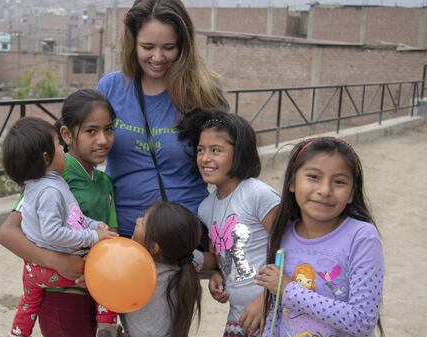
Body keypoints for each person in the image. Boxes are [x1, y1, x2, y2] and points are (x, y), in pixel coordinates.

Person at [97, 0, 226, 238]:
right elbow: (80, 154)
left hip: (184, 235)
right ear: (132, 43)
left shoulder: (203, 92)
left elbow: (228, 162)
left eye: (169, 47)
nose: (158, 57)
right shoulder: (110, 88)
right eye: (147, 46)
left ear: (184, 45)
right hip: (121, 236)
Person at [0, 89, 120, 337]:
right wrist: (57, 261)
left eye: (109, 129)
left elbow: (108, 233)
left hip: (97, 291)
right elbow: (7, 232)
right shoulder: (49, 179)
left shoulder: (104, 182)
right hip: (61, 297)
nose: (103, 140)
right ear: (66, 134)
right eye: (91, 131)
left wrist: (97, 268)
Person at [254, 137, 384, 337]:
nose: (325, 191)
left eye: (339, 182)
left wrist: (289, 289)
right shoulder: (282, 233)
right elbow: (276, 311)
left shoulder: (362, 237)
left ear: (351, 194)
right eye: (314, 177)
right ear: (292, 183)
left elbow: (362, 320)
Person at [178, 109, 280, 337]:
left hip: (271, 315)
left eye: (216, 150)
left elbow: (294, 246)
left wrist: (267, 298)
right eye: (200, 150)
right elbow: (222, 255)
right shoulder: (206, 207)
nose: (205, 158)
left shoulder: (258, 194)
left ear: (240, 153)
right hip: (237, 318)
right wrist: (219, 276)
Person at [125, 201, 202, 337]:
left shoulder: (135, 270)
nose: (137, 220)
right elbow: (212, 261)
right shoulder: (187, 257)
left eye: (143, 222)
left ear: (154, 248)